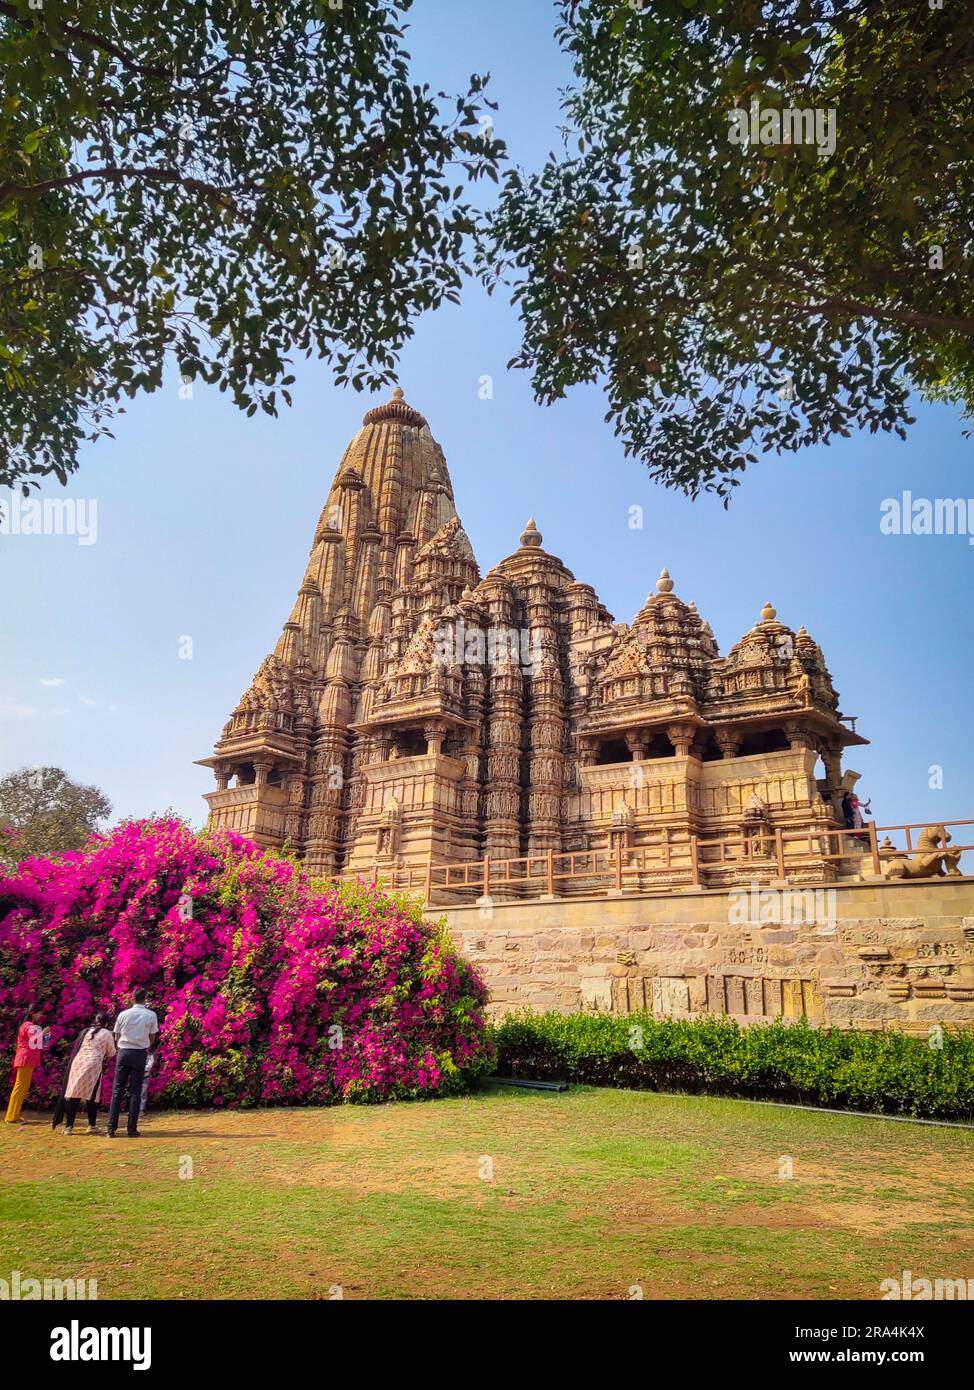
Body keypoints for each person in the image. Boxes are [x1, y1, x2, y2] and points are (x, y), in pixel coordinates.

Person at [107, 989, 159, 1139]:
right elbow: (152, 1035)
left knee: (117, 1090)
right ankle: (131, 1128)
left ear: (132, 999)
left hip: (123, 1052)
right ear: (145, 999)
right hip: (140, 1053)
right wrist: (147, 1046)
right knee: (135, 1091)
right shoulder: (150, 1015)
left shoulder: (123, 1014)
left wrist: (120, 1046)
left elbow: (116, 1034)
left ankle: (111, 1128)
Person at [60, 1013, 116, 1135]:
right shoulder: (107, 1033)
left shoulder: (85, 1032)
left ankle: (68, 1127)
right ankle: (92, 1125)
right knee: (92, 1095)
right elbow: (112, 1053)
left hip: (77, 1063)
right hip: (93, 1065)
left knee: (74, 1093)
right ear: (106, 1023)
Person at [5, 1006, 48, 1124]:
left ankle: (15, 1115)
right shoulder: (29, 1026)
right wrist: (43, 1033)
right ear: (33, 1013)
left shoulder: (27, 1025)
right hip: (25, 1059)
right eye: (39, 1013)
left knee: (22, 1088)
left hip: (27, 1059)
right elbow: (34, 1040)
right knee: (20, 1088)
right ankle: (11, 1116)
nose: (40, 1016)